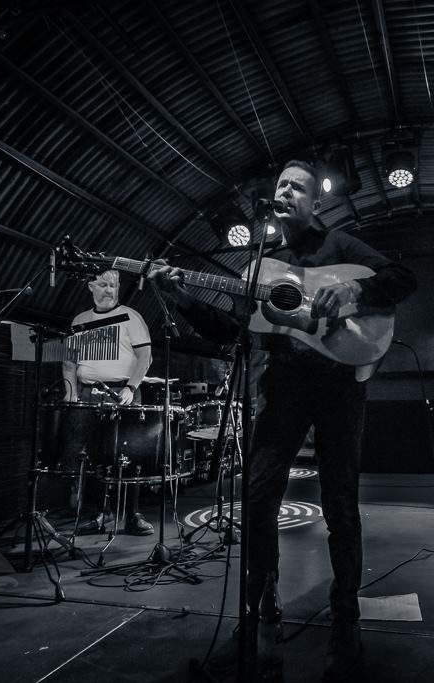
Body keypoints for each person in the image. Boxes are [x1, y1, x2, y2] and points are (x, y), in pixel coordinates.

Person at [149, 160, 416, 680]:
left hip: (339, 387)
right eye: (281, 185)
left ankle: (346, 623)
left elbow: (403, 278)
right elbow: (229, 331)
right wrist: (180, 298)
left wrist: (353, 292)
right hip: (283, 389)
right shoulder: (263, 266)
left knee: (341, 506)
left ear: (315, 202)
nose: (287, 191)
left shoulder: (340, 246)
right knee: (257, 500)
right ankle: (259, 620)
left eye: (298, 186)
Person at [62, 269, 154, 536]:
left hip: (123, 392)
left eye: (113, 285)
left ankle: (132, 515)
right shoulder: (80, 320)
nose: (109, 290)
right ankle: (101, 514)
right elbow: (69, 362)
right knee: (91, 456)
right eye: (103, 284)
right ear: (90, 286)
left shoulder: (131, 317)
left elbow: (145, 357)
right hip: (88, 395)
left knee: (129, 456)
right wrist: (71, 393)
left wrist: (130, 387)